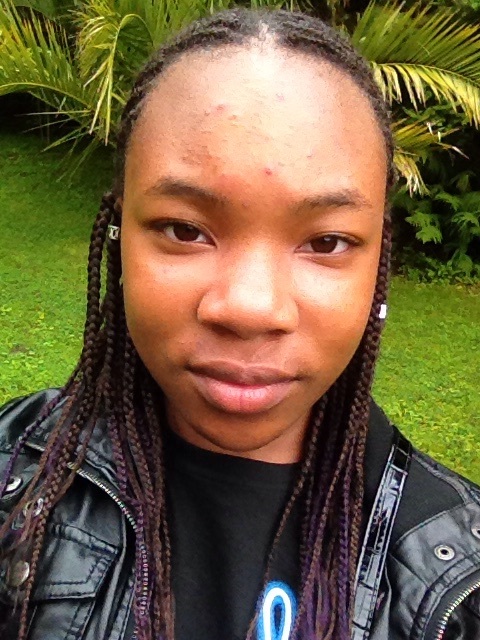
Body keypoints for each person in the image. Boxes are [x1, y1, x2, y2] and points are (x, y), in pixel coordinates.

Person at [0, 7, 479, 640]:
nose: (251, 308)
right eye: (184, 230)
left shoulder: (459, 585)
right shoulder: (14, 483)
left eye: (327, 242)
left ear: (377, 265)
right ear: (117, 239)